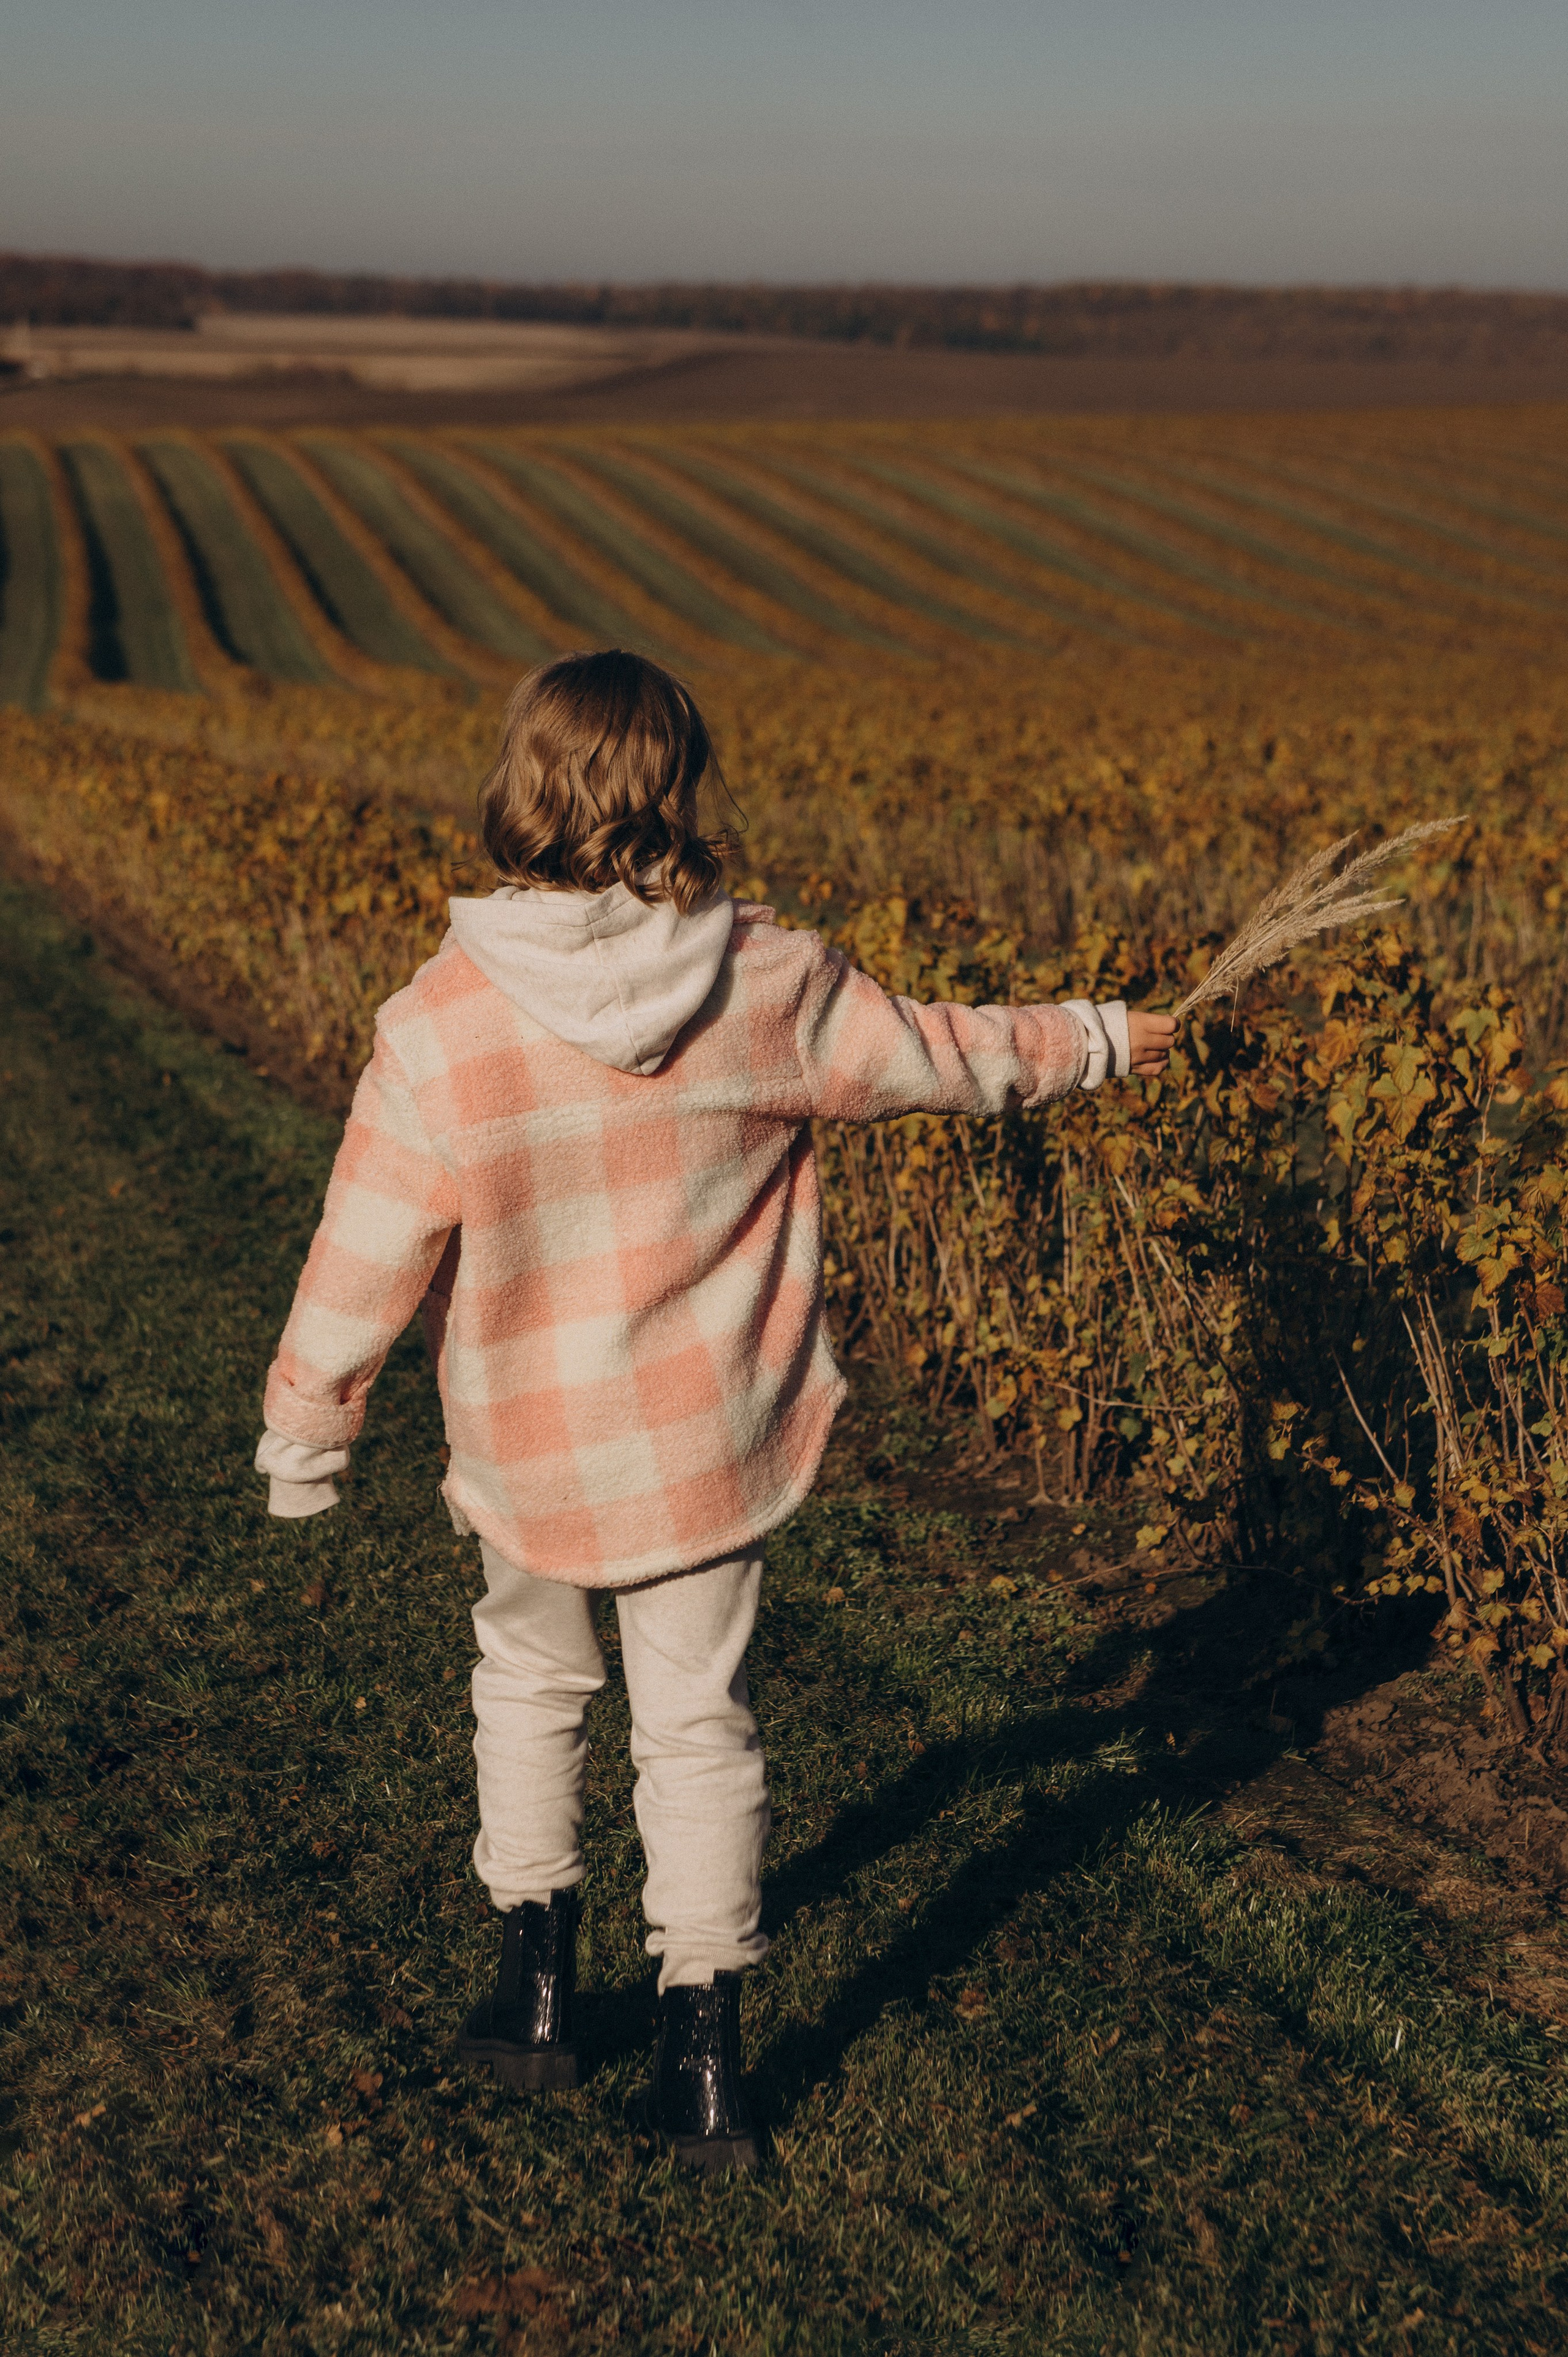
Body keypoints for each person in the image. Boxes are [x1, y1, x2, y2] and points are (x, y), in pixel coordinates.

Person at [255, 650, 1175, 2173]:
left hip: (530, 1440)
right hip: (703, 1436)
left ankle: (537, 1990)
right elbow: (947, 1057)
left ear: (521, 784)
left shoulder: (440, 1020)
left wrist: (310, 1423)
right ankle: (701, 2061)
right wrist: (1091, 1036)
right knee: (699, 1729)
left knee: (531, 1687)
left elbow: (368, 1246)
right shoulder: (770, 981)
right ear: (677, 787)